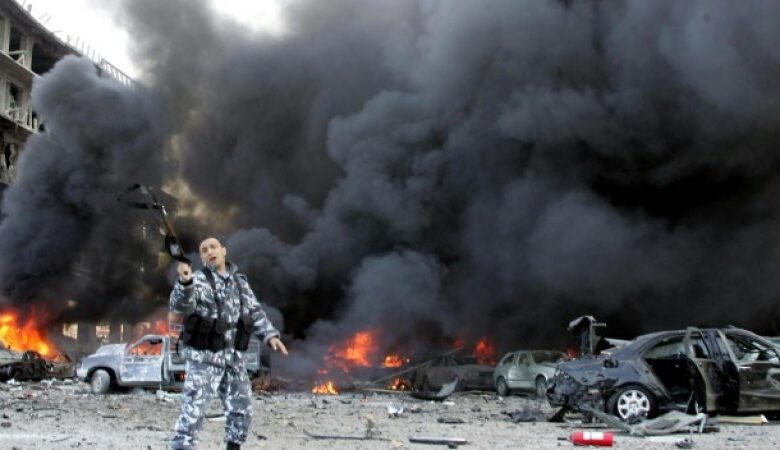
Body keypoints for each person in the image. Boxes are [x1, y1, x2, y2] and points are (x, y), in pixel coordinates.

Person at [170, 237, 288, 450]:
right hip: (205, 359)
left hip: (233, 359)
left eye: (213, 247)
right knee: (192, 412)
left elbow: (254, 311)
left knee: (241, 411)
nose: (210, 251)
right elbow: (180, 306)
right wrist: (184, 282)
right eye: (204, 250)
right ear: (202, 257)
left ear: (223, 251)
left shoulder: (240, 283)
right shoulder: (197, 281)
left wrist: (270, 336)